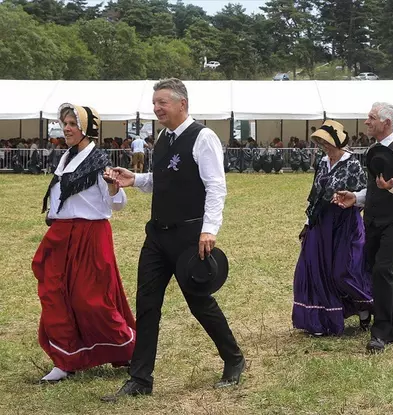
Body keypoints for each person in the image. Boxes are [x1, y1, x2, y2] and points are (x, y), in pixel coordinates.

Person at [103, 78, 244, 401]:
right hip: (156, 235)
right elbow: (164, 179)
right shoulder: (163, 139)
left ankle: (233, 358)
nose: (156, 108)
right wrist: (135, 179)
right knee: (147, 305)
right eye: (155, 103)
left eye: (162, 102)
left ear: (183, 104)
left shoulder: (203, 137)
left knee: (199, 303)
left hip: (189, 237)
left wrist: (209, 229)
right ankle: (140, 379)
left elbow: (215, 186)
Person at [33, 103, 134, 383]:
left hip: (90, 236)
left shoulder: (98, 160)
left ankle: (124, 347)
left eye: (72, 124)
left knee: (92, 300)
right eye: (64, 123)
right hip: (62, 235)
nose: (66, 128)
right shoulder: (66, 157)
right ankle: (65, 359)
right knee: (54, 295)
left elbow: (116, 204)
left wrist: (114, 187)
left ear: (87, 129)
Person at [333, 102, 393, 352]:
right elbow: (374, 188)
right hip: (372, 217)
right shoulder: (374, 150)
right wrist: (356, 197)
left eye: (371, 118)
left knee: (383, 269)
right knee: (380, 271)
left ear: (386, 123)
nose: (366, 122)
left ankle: (380, 331)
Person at [292, 120, 373, 335]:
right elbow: (315, 195)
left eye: (327, 142)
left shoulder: (353, 164)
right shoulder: (322, 162)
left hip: (345, 223)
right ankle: (320, 320)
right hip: (321, 222)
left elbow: (365, 195)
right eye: (321, 142)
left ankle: (365, 307)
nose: (324, 147)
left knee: (343, 270)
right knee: (313, 268)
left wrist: (352, 200)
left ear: (338, 143)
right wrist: (308, 223)